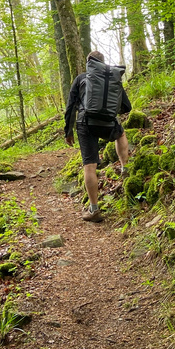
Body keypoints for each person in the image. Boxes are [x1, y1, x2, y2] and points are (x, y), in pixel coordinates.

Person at [64, 49, 132, 223]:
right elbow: (126, 107)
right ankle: (125, 167)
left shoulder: (81, 79)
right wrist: (109, 113)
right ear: (102, 62)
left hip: (85, 123)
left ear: (89, 63)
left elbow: (71, 107)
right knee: (121, 133)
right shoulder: (112, 79)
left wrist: (68, 131)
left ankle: (94, 209)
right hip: (107, 122)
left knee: (89, 166)